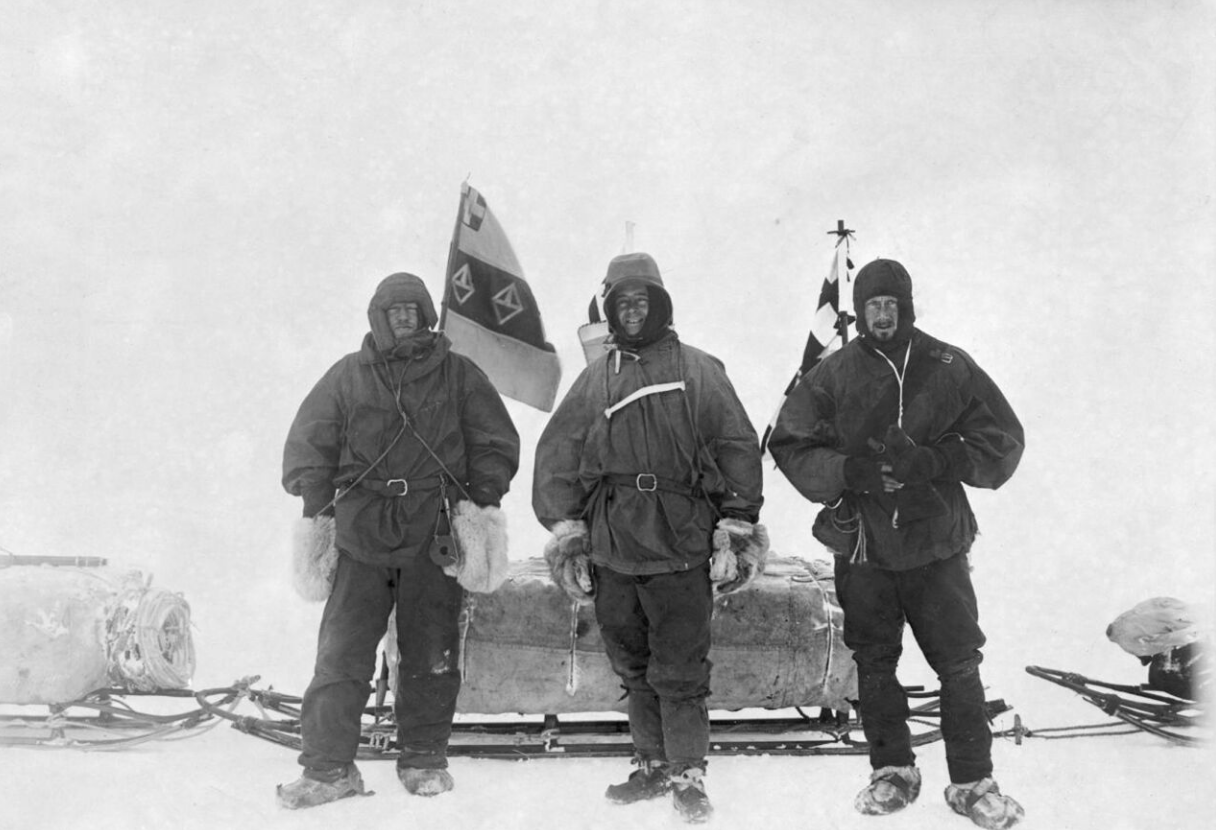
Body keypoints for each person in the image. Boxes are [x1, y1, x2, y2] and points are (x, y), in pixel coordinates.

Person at [768, 259, 1026, 830]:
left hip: (936, 542)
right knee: (875, 661)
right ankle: (892, 772)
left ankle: (972, 783)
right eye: (872, 306)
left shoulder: (948, 365)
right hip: (864, 541)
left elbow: (1002, 440)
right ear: (859, 313)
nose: (882, 315)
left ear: (905, 308)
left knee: (958, 662)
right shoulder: (833, 373)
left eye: (891, 305)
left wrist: (938, 459)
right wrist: (849, 471)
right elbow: (791, 443)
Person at [533, 252, 767, 824]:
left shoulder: (698, 369)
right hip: (614, 543)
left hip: (680, 540)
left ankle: (687, 773)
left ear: (659, 304)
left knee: (680, 668)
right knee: (633, 665)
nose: (633, 311)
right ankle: (652, 764)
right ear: (610, 310)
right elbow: (558, 452)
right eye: (623, 302)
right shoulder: (597, 378)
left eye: (642, 300)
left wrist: (736, 527)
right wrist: (569, 534)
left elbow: (736, 446)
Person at [277, 272, 520, 809]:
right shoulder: (348, 374)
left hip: (432, 533)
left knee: (431, 653)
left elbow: (494, 441)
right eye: (394, 309)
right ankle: (327, 769)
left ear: (427, 314)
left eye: (413, 308)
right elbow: (310, 442)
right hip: (360, 534)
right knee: (341, 655)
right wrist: (316, 502)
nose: (404, 316)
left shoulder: (459, 374)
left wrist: (482, 498)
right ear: (379, 316)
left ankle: (424, 759)